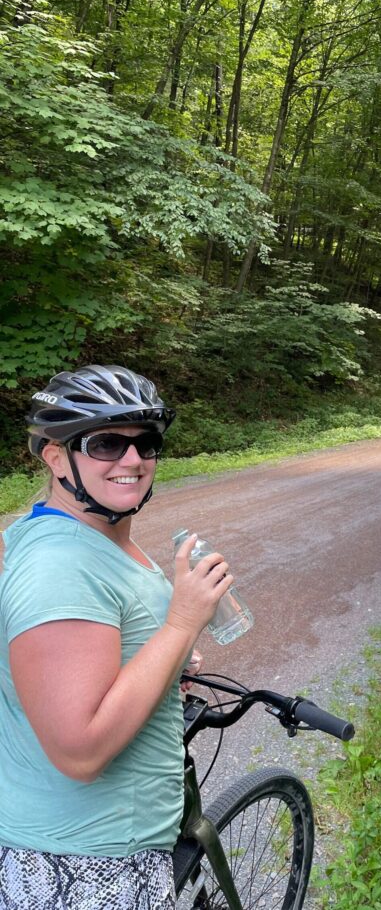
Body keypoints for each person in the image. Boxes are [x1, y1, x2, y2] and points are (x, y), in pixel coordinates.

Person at [0, 365, 232, 909]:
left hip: (106, 847)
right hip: (84, 866)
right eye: (106, 442)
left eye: (145, 443)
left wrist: (167, 652)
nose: (132, 461)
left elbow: (105, 649)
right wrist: (180, 623)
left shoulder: (88, 535)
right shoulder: (61, 565)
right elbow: (80, 751)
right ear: (54, 456)